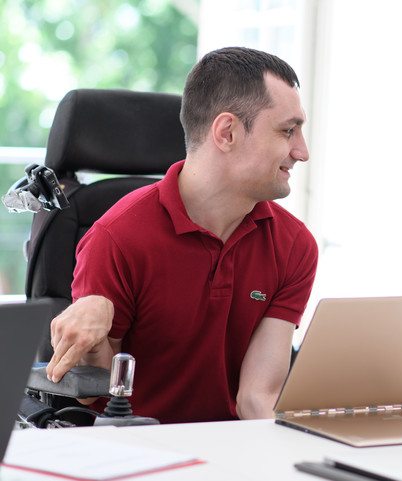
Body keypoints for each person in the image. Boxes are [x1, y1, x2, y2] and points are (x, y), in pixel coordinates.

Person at [45, 47, 318, 424]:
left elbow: (258, 399)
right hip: (140, 452)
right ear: (227, 132)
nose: (301, 152)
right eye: (288, 131)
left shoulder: (294, 246)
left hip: (236, 451)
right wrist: (95, 332)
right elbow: (97, 393)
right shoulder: (118, 237)